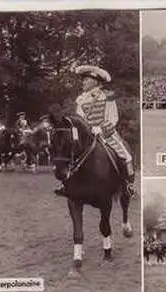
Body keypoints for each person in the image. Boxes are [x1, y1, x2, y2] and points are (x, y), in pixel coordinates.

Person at [54, 65, 135, 197]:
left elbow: (113, 117)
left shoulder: (108, 96)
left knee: (126, 156)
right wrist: (85, 130)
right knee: (70, 153)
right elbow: (80, 119)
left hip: (106, 134)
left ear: (95, 81)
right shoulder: (81, 100)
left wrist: (101, 129)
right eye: (83, 80)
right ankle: (66, 184)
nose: (83, 82)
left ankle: (127, 185)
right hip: (87, 134)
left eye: (86, 79)